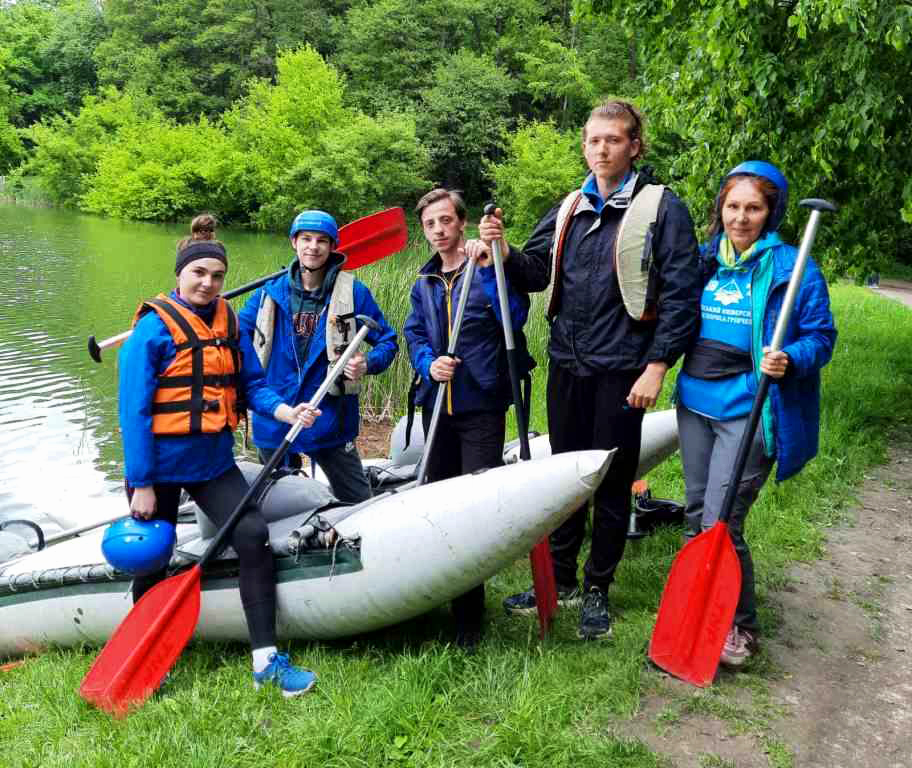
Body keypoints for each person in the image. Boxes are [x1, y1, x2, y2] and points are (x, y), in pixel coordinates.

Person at [480, 100, 703, 640]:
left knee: (612, 479)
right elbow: (535, 272)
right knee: (566, 475)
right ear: (584, 146)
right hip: (569, 363)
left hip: (624, 368)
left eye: (613, 140)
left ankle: (597, 586)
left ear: (634, 146)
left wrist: (657, 366)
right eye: (593, 140)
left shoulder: (662, 208)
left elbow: (682, 294)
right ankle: (559, 579)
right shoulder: (569, 208)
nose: (601, 149)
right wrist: (503, 250)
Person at [119, 214, 321, 696]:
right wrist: (142, 483)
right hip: (158, 467)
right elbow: (133, 413)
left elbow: (252, 383)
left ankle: (265, 660)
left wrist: (286, 410)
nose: (208, 283)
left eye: (217, 276)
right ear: (180, 273)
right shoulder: (152, 330)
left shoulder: (228, 321)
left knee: (252, 535)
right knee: (153, 557)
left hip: (211, 462)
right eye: (199, 273)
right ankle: (147, 658)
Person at [675, 161, 836, 666]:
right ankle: (697, 609)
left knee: (723, 521)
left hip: (750, 409)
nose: (740, 218)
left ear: (771, 213)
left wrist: (790, 358)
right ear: (720, 209)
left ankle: (739, 626)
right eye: (732, 206)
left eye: (753, 208)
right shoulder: (704, 260)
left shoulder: (793, 267)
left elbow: (821, 336)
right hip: (695, 403)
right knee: (696, 515)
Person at [403, 188, 532, 650]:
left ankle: (469, 620)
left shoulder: (485, 266)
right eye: (430, 224)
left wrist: (489, 268)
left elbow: (515, 317)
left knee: (473, 513)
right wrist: (428, 364)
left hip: (481, 405)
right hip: (437, 407)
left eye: (445, 221)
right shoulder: (424, 282)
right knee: (437, 507)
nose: (438, 230)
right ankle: (435, 596)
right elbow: (414, 332)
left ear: (461, 223)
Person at [238, 210, 398, 503]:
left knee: (358, 500)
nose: (313, 246)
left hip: (330, 418)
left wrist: (367, 363)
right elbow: (234, 336)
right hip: (277, 416)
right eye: (306, 239)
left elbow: (388, 341)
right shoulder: (267, 294)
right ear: (294, 242)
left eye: (322, 240)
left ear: (333, 246)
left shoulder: (353, 292)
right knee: (277, 503)